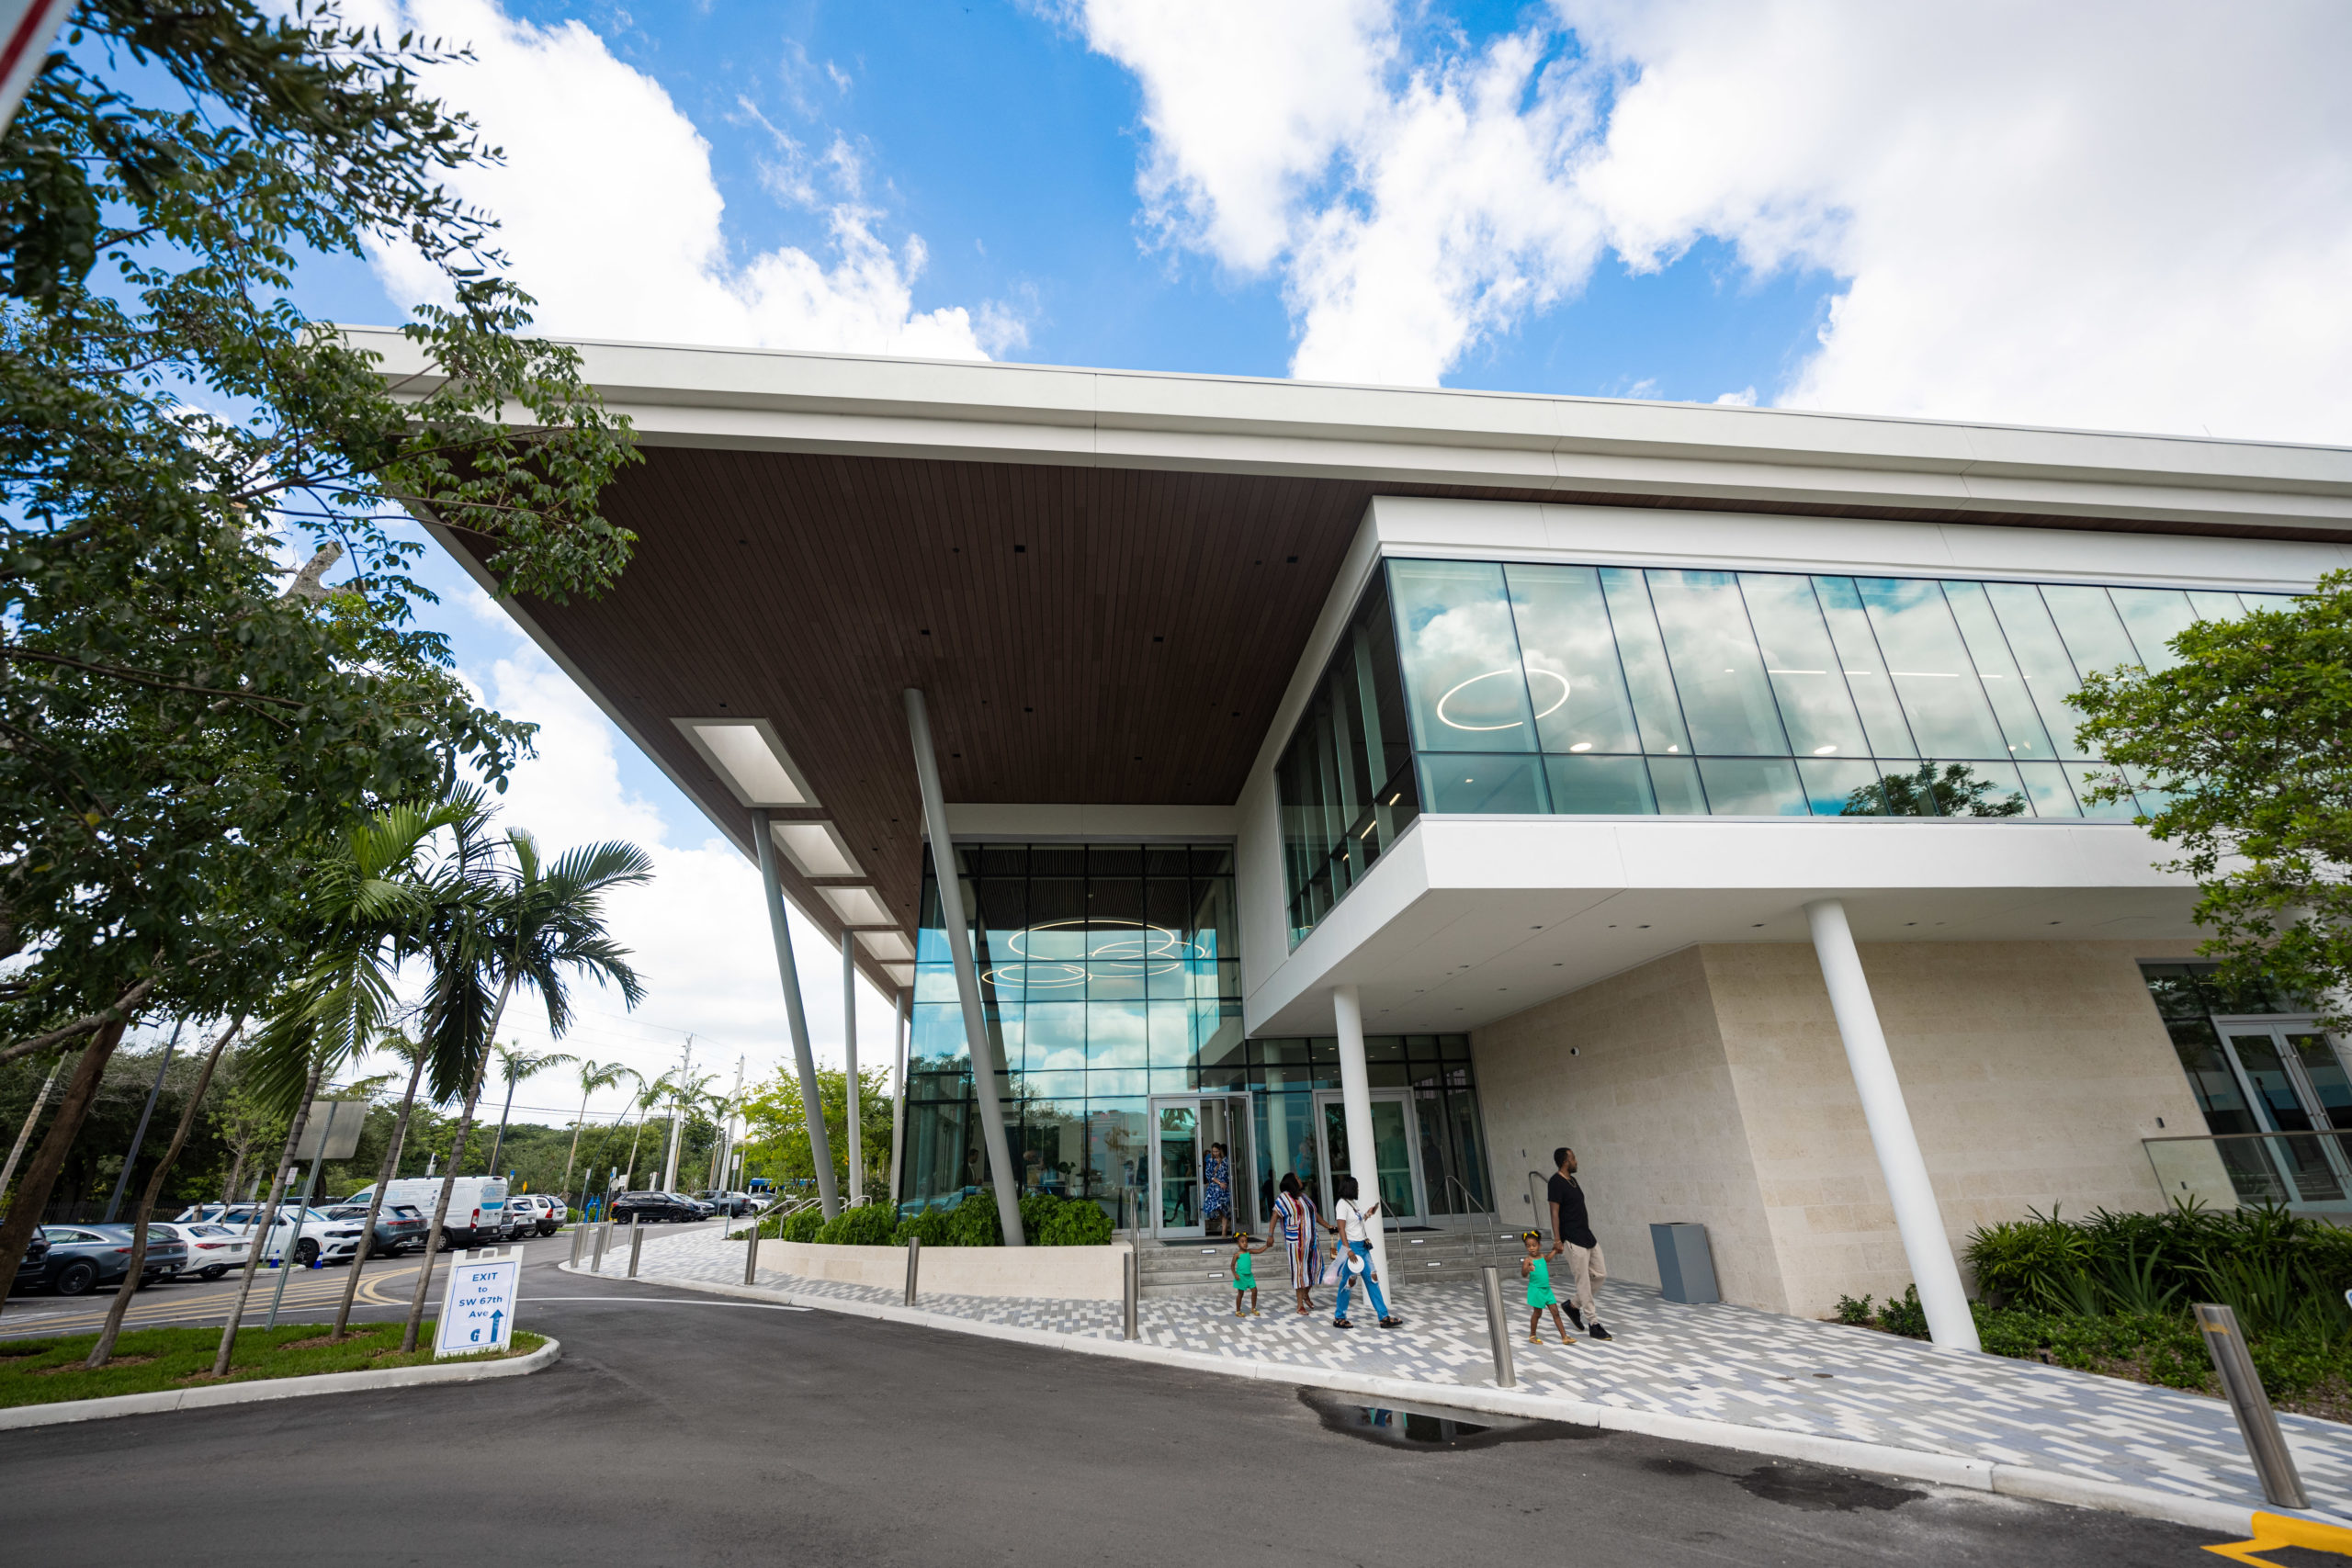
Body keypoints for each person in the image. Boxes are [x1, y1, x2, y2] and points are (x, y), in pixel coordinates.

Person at [1547, 1146, 1611, 1342]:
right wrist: (1558, 1240)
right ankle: (1593, 1323)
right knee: (1583, 1280)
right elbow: (1554, 1213)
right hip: (1572, 1239)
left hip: (1587, 1236)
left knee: (1600, 1275)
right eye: (1573, 1158)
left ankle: (1573, 1306)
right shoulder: (1555, 1182)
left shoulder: (1573, 1181)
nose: (1576, 1161)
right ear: (1566, 1162)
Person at [1329, 1174, 1398, 1329]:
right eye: (1356, 1187)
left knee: (1373, 1279)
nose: (1358, 1189)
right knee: (1348, 1282)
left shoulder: (1352, 1203)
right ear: (1350, 1188)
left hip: (1362, 1246)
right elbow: (1341, 1228)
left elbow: (1355, 1224)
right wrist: (1347, 1250)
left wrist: (1367, 1214)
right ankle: (1339, 1317)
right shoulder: (1342, 1204)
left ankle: (1384, 1317)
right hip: (1351, 1248)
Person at [1272, 1173, 1322, 1315]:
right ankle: (1300, 1305)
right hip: (1296, 1243)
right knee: (1299, 1272)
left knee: (1315, 1268)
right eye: (1298, 1179)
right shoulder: (1284, 1198)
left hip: (1311, 1240)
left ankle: (1306, 1294)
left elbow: (1314, 1215)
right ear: (1292, 1182)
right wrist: (1270, 1236)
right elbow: (1275, 1215)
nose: (1300, 1180)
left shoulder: (1304, 1197)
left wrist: (1328, 1226)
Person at [1521, 1230, 1573, 1345]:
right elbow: (1523, 1274)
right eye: (1528, 1246)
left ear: (1539, 1245)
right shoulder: (1528, 1260)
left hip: (1546, 1290)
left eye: (1534, 1245)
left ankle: (1564, 1337)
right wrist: (1527, 1269)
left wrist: (1555, 1250)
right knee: (1537, 1313)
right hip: (1536, 1290)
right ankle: (1532, 1335)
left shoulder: (1542, 1256)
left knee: (1556, 1312)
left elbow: (1548, 1258)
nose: (1531, 1248)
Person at [1229, 1229, 1267, 1316]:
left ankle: (1253, 1308)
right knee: (1240, 1294)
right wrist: (1235, 1274)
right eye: (1242, 1242)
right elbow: (1232, 1266)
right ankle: (1238, 1311)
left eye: (1246, 1241)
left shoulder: (1249, 1251)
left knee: (1255, 1290)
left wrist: (1267, 1246)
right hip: (1241, 1276)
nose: (1245, 1243)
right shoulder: (1237, 1255)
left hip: (1249, 1276)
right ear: (1238, 1244)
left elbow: (1259, 1251)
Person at [1203, 1142, 1231, 1237]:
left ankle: (1224, 1232)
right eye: (1213, 1151)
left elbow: (1228, 1173)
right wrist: (1219, 1183)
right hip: (1215, 1188)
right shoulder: (1210, 1161)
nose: (1215, 1153)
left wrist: (1225, 1184)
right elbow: (1209, 1175)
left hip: (1224, 1189)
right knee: (1217, 1207)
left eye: (1217, 1151)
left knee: (1224, 1209)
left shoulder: (1225, 1160)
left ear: (1220, 1151)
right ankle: (1224, 1227)